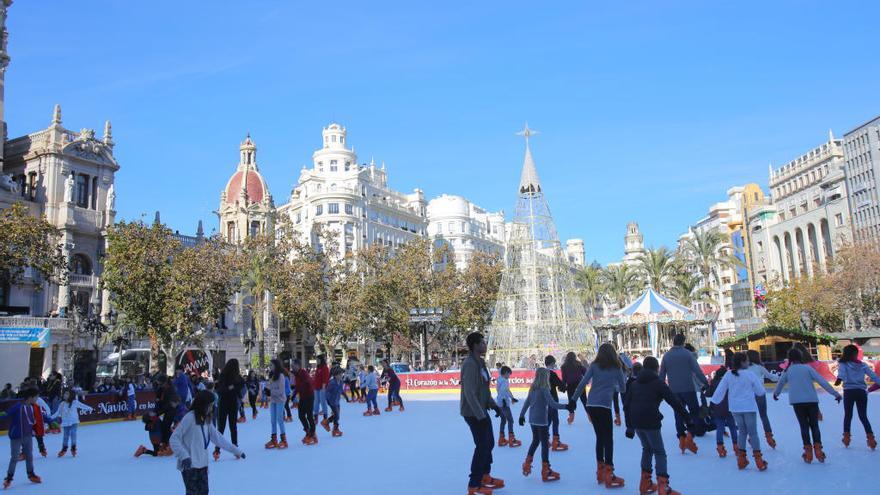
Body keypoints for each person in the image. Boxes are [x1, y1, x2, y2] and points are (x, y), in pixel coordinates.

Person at [623, 356, 688, 495]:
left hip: (636, 421)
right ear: (656, 369)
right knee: (659, 452)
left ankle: (645, 483)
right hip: (651, 421)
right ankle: (663, 487)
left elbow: (626, 404)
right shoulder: (658, 383)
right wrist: (687, 418)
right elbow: (674, 401)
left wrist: (629, 426)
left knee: (647, 448)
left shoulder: (634, 383)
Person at [570, 342, 628, 489]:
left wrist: (573, 400)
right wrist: (611, 387)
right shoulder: (616, 367)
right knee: (608, 439)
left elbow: (583, 383)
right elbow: (623, 388)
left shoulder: (594, 366)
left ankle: (600, 471)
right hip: (604, 405)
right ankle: (609, 472)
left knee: (600, 438)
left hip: (591, 404)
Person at [773, 347, 841, 463]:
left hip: (797, 402)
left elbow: (780, 384)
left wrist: (776, 394)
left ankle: (808, 452)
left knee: (804, 426)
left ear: (790, 358)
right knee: (814, 426)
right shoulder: (807, 368)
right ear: (801, 357)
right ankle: (818, 450)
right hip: (811, 401)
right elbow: (822, 381)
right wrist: (835, 393)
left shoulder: (788, 371)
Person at [170, 391, 245, 495]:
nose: (212, 408)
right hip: (190, 465)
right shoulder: (190, 418)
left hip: (202, 465)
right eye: (210, 405)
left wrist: (236, 450)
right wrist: (184, 456)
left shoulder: (206, 419)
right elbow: (174, 439)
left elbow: (218, 438)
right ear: (202, 405)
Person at [460, 332, 504, 495]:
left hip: (481, 411)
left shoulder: (480, 362)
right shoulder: (470, 364)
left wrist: (494, 405)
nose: (485, 345)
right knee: (482, 446)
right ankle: (474, 483)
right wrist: (481, 415)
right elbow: (470, 393)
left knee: (489, 444)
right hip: (473, 412)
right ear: (475, 345)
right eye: (482, 343)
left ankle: (485, 476)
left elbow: (484, 389)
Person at [709, 352, 767, 471]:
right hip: (749, 407)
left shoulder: (728, 375)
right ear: (742, 362)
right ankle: (759, 460)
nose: (748, 363)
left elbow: (720, 391)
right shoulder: (750, 375)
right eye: (746, 361)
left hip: (735, 408)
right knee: (753, 433)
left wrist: (713, 402)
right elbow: (760, 392)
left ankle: (741, 459)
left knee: (742, 432)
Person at [518, 367, 572, 482]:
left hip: (532, 419)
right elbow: (552, 404)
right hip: (541, 420)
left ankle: (527, 463)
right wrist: (566, 406)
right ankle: (546, 469)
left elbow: (527, 402)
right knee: (544, 443)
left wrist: (521, 416)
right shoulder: (544, 389)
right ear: (545, 377)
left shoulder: (532, 388)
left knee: (535, 440)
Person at [658, 334, 708, 454]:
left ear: (673, 341)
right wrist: (705, 382)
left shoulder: (666, 356)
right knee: (694, 412)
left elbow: (661, 375)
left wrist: (660, 389)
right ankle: (690, 435)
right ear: (683, 342)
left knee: (678, 413)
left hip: (674, 390)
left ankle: (681, 437)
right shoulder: (687, 354)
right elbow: (697, 371)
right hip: (688, 388)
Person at [836, 344, 879, 450]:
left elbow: (841, 373)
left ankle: (846, 438)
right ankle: (871, 439)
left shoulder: (843, 363)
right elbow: (873, 376)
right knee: (863, 416)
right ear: (856, 354)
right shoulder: (862, 365)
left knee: (848, 415)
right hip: (861, 392)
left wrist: (839, 379)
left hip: (849, 392)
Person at [3, 388, 41, 489]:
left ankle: (31, 474)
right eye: (36, 397)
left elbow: (38, 418)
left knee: (29, 456)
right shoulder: (18, 406)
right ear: (30, 397)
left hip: (28, 436)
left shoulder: (32, 407)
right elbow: (6, 414)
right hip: (16, 437)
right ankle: (9, 478)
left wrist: (51, 421)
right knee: (14, 457)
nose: (37, 399)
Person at [213, 359, 245, 460]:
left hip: (230, 403)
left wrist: (234, 388)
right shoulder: (223, 376)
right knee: (222, 427)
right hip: (225, 403)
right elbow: (220, 390)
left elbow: (242, 383)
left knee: (231, 426)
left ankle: (234, 449)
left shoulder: (236, 377)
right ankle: (217, 450)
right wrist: (230, 388)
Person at [706, 363, 737, 458]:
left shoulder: (714, 382)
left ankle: (720, 448)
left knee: (719, 428)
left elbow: (709, 394)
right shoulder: (730, 382)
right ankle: (736, 446)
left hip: (717, 408)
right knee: (732, 427)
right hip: (729, 408)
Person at [53, 388, 93, 457]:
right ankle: (64, 448)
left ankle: (73, 448)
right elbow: (57, 413)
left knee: (73, 434)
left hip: (74, 421)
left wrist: (90, 408)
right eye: (64, 393)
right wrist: (50, 417)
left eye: (67, 394)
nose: (65, 395)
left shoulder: (75, 402)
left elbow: (82, 406)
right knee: (65, 436)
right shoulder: (62, 404)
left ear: (71, 395)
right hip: (66, 422)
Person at [541, 355, 569, 451]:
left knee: (548, 419)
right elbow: (561, 385)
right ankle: (555, 441)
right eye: (554, 363)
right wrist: (565, 387)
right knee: (555, 420)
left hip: (544, 400)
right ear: (552, 363)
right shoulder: (552, 374)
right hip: (552, 399)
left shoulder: (542, 374)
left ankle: (545, 438)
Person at [291, 358, 317, 445]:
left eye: (293, 365)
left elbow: (309, 383)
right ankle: (308, 431)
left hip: (309, 396)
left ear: (298, 365)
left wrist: (302, 389)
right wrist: (294, 394)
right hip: (302, 397)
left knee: (309, 415)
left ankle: (312, 434)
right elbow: (297, 386)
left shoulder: (303, 373)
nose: (292, 367)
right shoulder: (296, 374)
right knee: (301, 415)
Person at [264, 359, 289, 449]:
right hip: (273, 401)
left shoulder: (281, 376)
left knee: (279, 419)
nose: (270, 367)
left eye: (271, 365)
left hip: (280, 400)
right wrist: (266, 389)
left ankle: (284, 440)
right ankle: (274, 439)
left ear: (276, 365)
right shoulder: (272, 375)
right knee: (272, 420)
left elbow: (281, 391)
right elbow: (269, 385)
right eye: (269, 365)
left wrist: (270, 391)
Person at [495, 366, 521, 448]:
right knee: (510, 420)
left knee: (503, 420)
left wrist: (512, 397)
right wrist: (504, 400)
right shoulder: (505, 381)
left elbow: (506, 390)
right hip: (504, 403)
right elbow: (503, 391)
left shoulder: (499, 379)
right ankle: (511, 439)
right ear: (505, 373)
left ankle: (501, 438)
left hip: (499, 402)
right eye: (509, 374)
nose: (509, 376)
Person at [561, 351, 588, 424]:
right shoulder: (578, 364)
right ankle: (590, 416)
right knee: (584, 400)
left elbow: (564, 378)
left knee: (571, 401)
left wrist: (563, 386)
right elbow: (585, 372)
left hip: (570, 385)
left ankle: (571, 417)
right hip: (580, 384)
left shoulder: (564, 366)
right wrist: (586, 380)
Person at [322, 368, 345, 437]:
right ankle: (335, 430)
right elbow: (327, 392)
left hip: (337, 400)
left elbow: (341, 390)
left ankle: (326, 422)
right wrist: (328, 400)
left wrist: (346, 397)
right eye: (339, 374)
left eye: (341, 374)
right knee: (337, 415)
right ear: (335, 375)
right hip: (331, 401)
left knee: (337, 415)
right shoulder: (332, 383)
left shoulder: (341, 382)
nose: (341, 375)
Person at [313, 355, 330, 420]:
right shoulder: (318, 368)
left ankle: (325, 417)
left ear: (321, 360)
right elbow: (316, 378)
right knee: (316, 403)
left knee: (323, 402)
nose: (317, 361)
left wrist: (323, 388)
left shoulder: (325, 368)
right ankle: (315, 417)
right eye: (316, 360)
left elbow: (325, 379)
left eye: (318, 360)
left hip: (322, 388)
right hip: (316, 388)